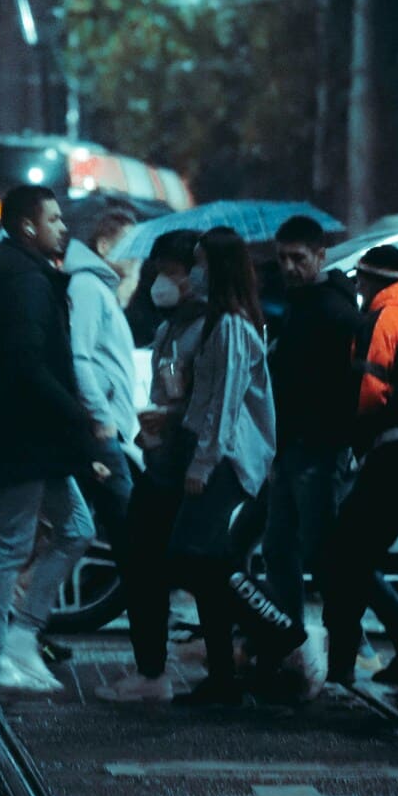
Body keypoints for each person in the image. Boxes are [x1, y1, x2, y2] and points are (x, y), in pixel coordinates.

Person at [166, 228, 321, 707]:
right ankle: (224, 675)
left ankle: (282, 631)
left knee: (199, 557)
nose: (193, 270)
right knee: (207, 561)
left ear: (218, 266)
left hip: (227, 460)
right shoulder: (219, 322)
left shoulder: (233, 325)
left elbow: (227, 405)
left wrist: (204, 462)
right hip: (213, 453)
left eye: (199, 261)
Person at [0, 185, 98, 696]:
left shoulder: (20, 275)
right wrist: (77, 416)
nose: (64, 228)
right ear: (27, 227)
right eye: (55, 219)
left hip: (32, 437)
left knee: (77, 528)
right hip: (22, 436)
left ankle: (22, 634)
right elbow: (28, 364)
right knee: (11, 543)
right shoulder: (24, 282)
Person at [98, 230, 206, 703]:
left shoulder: (215, 329)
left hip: (193, 464)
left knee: (191, 566)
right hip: (165, 460)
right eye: (157, 271)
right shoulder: (167, 330)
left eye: (171, 272)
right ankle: (152, 669)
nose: (161, 281)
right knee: (145, 563)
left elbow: (213, 403)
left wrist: (172, 419)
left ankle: (235, 659)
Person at [261, 216, 360, 632]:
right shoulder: (298, 305)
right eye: (282, 258)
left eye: (298, 258)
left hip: (317, 448)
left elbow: (343, 384)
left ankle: (353, 640)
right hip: (293, 446)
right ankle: (288, 635)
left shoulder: (335, 312)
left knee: (322, 553)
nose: (288, 266)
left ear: (320, 256)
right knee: (280, 548)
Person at [325, 245, 398, 687]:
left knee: (345, 553)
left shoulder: (380, 319)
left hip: (390, 453)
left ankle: (341, 666)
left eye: (361, 281)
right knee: (359, 554)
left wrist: (351, 434)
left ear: (370, 281)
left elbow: (370, 390)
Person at [63, 209, 141, 576]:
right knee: (128, 527)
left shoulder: (100, 288)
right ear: (105, 244)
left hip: (105, 425)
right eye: (131, 244)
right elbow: (80, 356)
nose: (137, 254)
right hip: (100, 429)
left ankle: (24, 616)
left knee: (71, 528)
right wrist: (102, 416)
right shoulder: (88, 288)